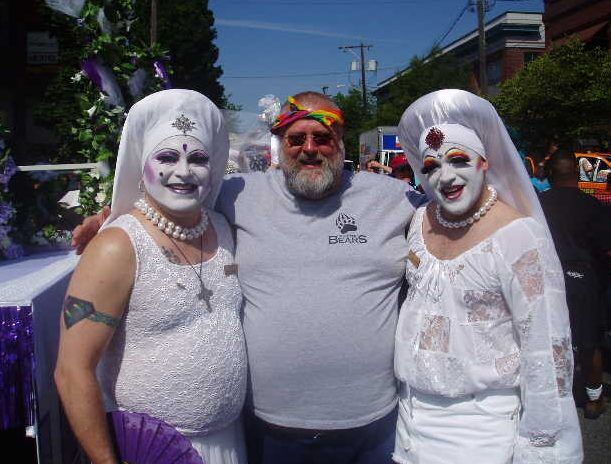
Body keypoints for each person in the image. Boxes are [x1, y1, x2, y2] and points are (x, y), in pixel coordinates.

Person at [72, 91, 425, 464]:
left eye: (322, 138)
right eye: (296, 139)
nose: (309, 149)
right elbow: (172, 202)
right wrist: (110, 218)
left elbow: (451, 214)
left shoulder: (395, 197)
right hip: (271, 430)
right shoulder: (237, 194)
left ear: (340, 141)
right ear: (280, 142)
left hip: (373, 423)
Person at [55, 89, 248, 464]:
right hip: (151, 452)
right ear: (140, 167)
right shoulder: (116, 246)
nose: (183, 172)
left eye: (198, 158)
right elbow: (71, 370)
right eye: (166, 157)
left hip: (230, 442)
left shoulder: (224, 226)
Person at [394, 89, 582, 464]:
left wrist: (541, 445)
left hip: (480, 431)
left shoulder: (518, 236)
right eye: (430, 167)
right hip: (408, 422)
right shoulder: (420, 221)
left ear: (484, 163)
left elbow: (547, 350)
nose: (444, 177)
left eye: (458, 160)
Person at [540, 149, 611, 420]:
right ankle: (594, 398)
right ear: (578, 174)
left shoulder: (537, 203)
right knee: (589, 341)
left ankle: (553, 394)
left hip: (547, 277)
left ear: (550, 174)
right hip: (584, 278)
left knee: (550, 339)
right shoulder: (593, 206)